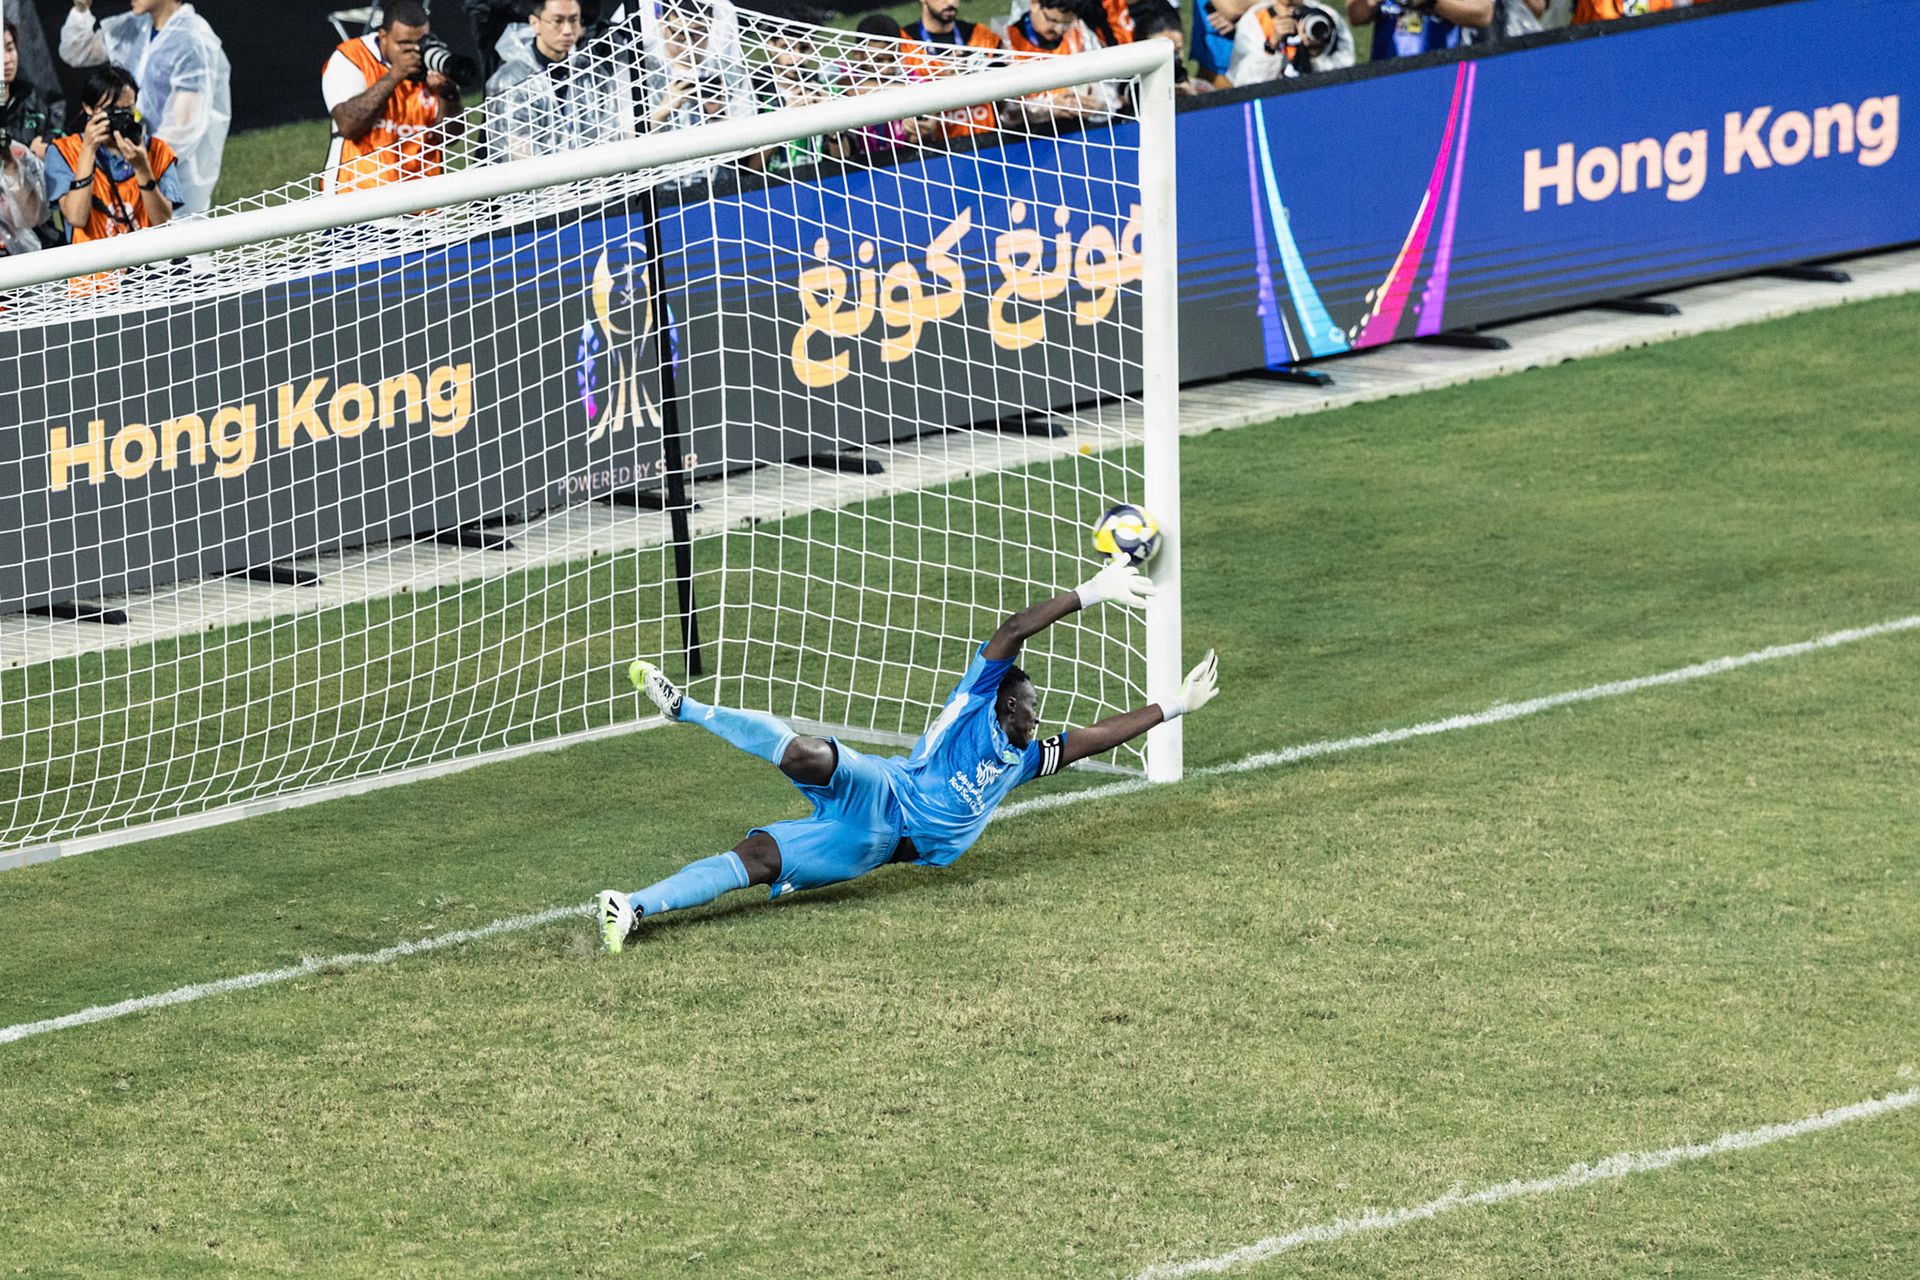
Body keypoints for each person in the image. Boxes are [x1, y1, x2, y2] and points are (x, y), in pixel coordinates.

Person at [598, 560, 1220, 950]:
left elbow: (1091, 740)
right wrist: (1092, 591)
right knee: (809, 754)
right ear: (1005, 706)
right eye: (1031, 706)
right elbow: (1010, 631)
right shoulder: (977, 700)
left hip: (872, 847)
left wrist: (1174, 706)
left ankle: (632, 907)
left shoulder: (1023, 761)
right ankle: (687, 709)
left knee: (758, 859)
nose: (1040, 716)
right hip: (888, 791)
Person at [58, 0, 228, 219]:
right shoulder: (137, 27)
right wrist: (81, 9)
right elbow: (77, 50)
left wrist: (134, 162)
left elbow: (185, 130)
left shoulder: (193, 40)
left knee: (179, 244)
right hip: (135, 165)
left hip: (175, 177)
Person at [323, 0, 462, 194]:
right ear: (383, 37)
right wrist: (395, 75)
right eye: (404, 44)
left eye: (420, 42)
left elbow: (451, 138)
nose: (414, 51)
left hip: (423, 205)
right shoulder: (352, 57)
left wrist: (448, 94)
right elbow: (348, 125)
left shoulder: (434, 58)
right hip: (357, 203)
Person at [43, 64, 181, 246]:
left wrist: (142, 168)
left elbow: (162, 222)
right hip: (93, 270)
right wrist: (88, 151)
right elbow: (76, 218)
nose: (121, 118)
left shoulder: (158, 151)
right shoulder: (63, 151)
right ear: (88, 108)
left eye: (127, 111)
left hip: (150, 270)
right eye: (111, 111)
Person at [484, 0, 623, 159]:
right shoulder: (511, 81)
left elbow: (609, 133)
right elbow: (519, 154)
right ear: (535, 23)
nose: (567, 30)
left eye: (574, 20)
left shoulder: (590, 72)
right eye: (558, 21)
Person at [1003, 0, 1119, 126]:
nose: (1058, 31)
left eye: (1065, 24)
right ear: (1034, 4)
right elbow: (1003, 112)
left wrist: (1097, 103)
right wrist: (1046, 109)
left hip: (1080, 129)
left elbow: (1108, 85)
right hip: (1030, 137)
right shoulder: (1007, 43)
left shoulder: (1078, 32)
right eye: (1053, 21)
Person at [901, 0, 1001, 140]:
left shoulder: (981, 36)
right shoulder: (904, 44)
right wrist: (942, 84)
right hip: (938, 150)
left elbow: (1006, 101)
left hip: (988, 142)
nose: (950, 2)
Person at [1226, 0, 1353, 83]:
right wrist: (1271, 46)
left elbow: (1346, 74)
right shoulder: (1254, 21)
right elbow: (1242, 84)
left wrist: (1315, 52)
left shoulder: (1326, 17)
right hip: (1271, 105)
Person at [4, 19, 58, 155]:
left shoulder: (31, 100)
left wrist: (48, 147)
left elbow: (57, 135)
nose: (7, 59)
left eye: (10, 49)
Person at [1130, 3, 1209, 95]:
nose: (1173, 58)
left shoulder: (1202, 88)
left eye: (1177, 50)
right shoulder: (1127, 92)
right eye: (1162, 53)